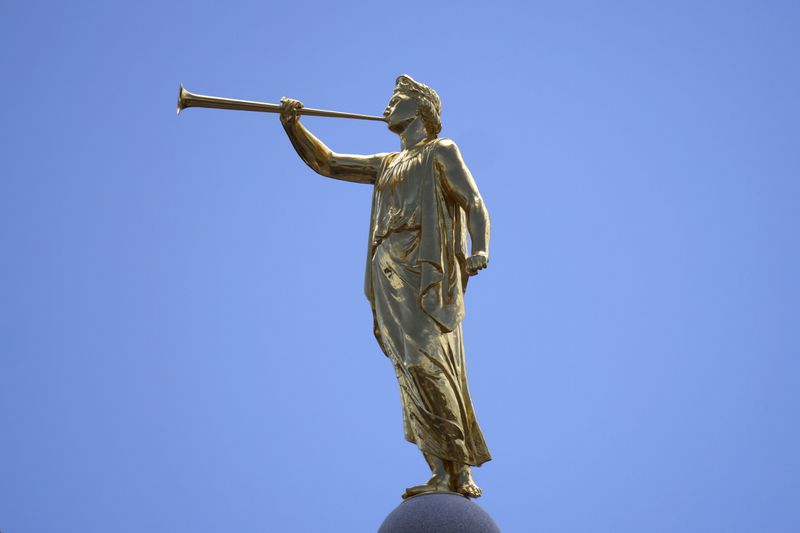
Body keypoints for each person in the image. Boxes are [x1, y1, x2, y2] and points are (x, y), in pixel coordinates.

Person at [279, 75, 491, 498]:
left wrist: (480, 249)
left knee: (428, 362)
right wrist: (293, 126)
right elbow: (329, 162)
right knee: (407, 367)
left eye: (397, 100)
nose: (388, 106)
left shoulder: (441, 151)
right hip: (388, 268)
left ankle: (460, 464)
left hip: (425, 265)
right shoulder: (386, 163)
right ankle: (439, 467)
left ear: (421, 110)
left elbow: (474, 203)